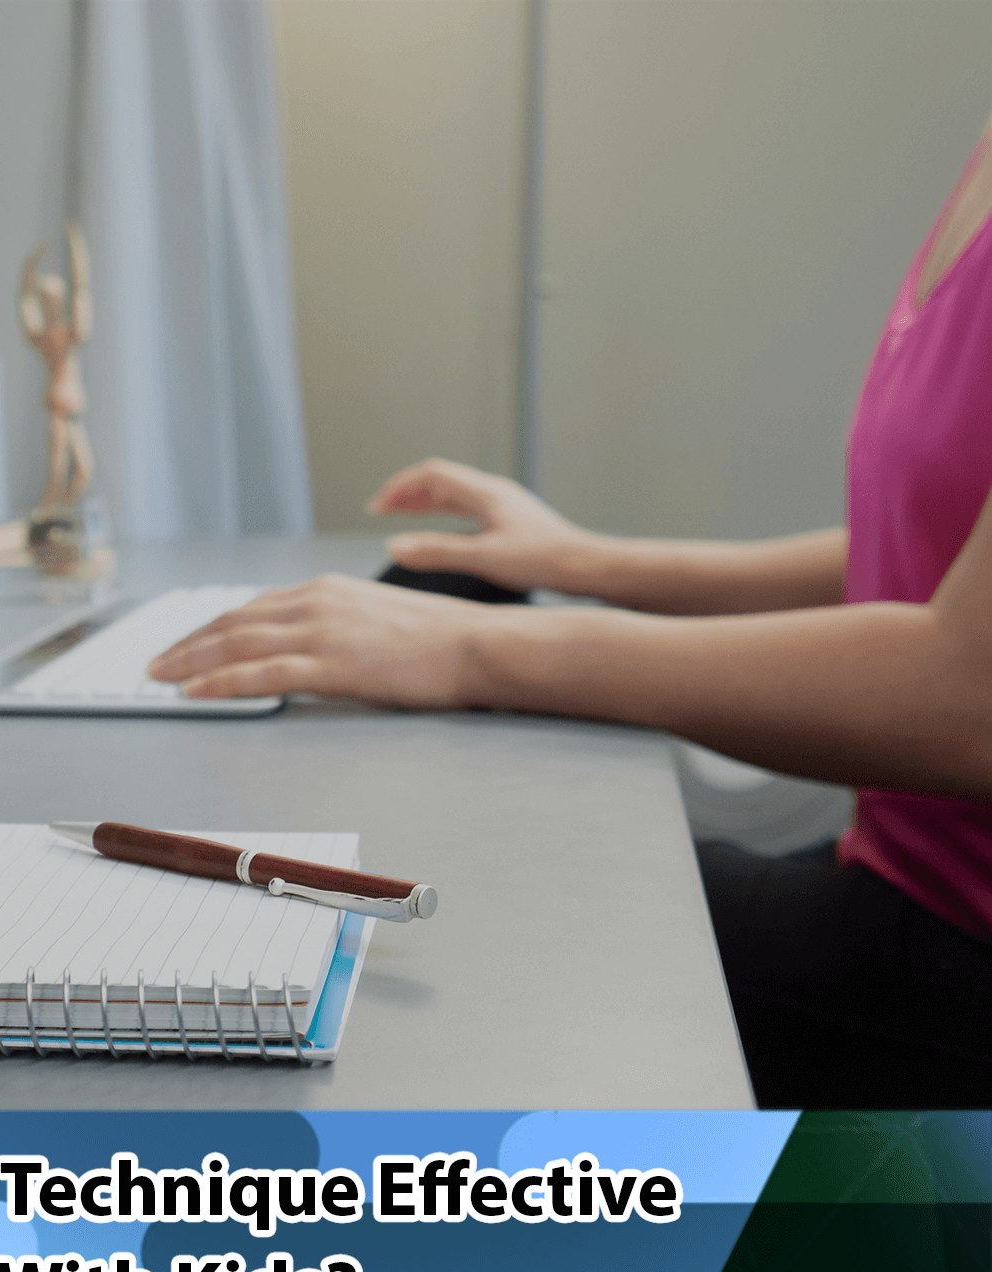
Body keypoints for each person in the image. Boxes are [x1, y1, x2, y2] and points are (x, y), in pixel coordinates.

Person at [148, 121, 992, 1109]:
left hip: (956, 951)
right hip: (899, 872)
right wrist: (585, 564)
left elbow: (966, 696)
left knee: (476, 910)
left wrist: (473, 653)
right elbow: (937, 564)